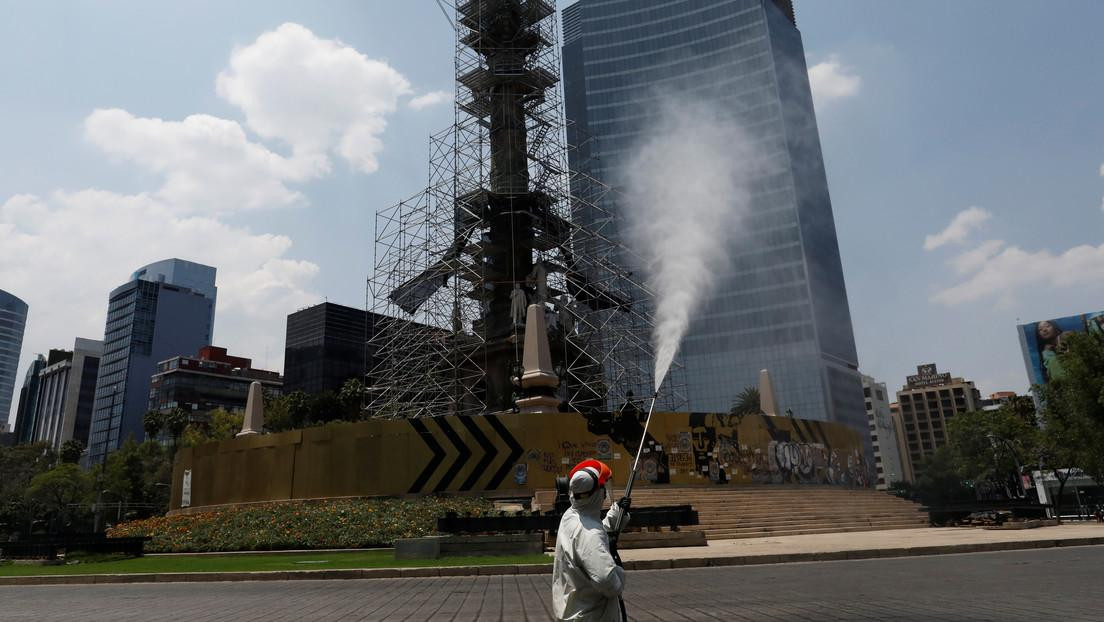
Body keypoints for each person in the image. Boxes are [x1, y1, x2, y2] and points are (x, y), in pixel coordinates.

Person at [552, 459, 630, 621]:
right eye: (603, 489)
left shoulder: (570, 516)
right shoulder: (591, 535)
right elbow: (607, 581)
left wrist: (616, 515)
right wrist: (619, 574)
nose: (605, 493)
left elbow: (588, 532)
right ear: (596, 494)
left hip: (573, 610)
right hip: (591, 615)